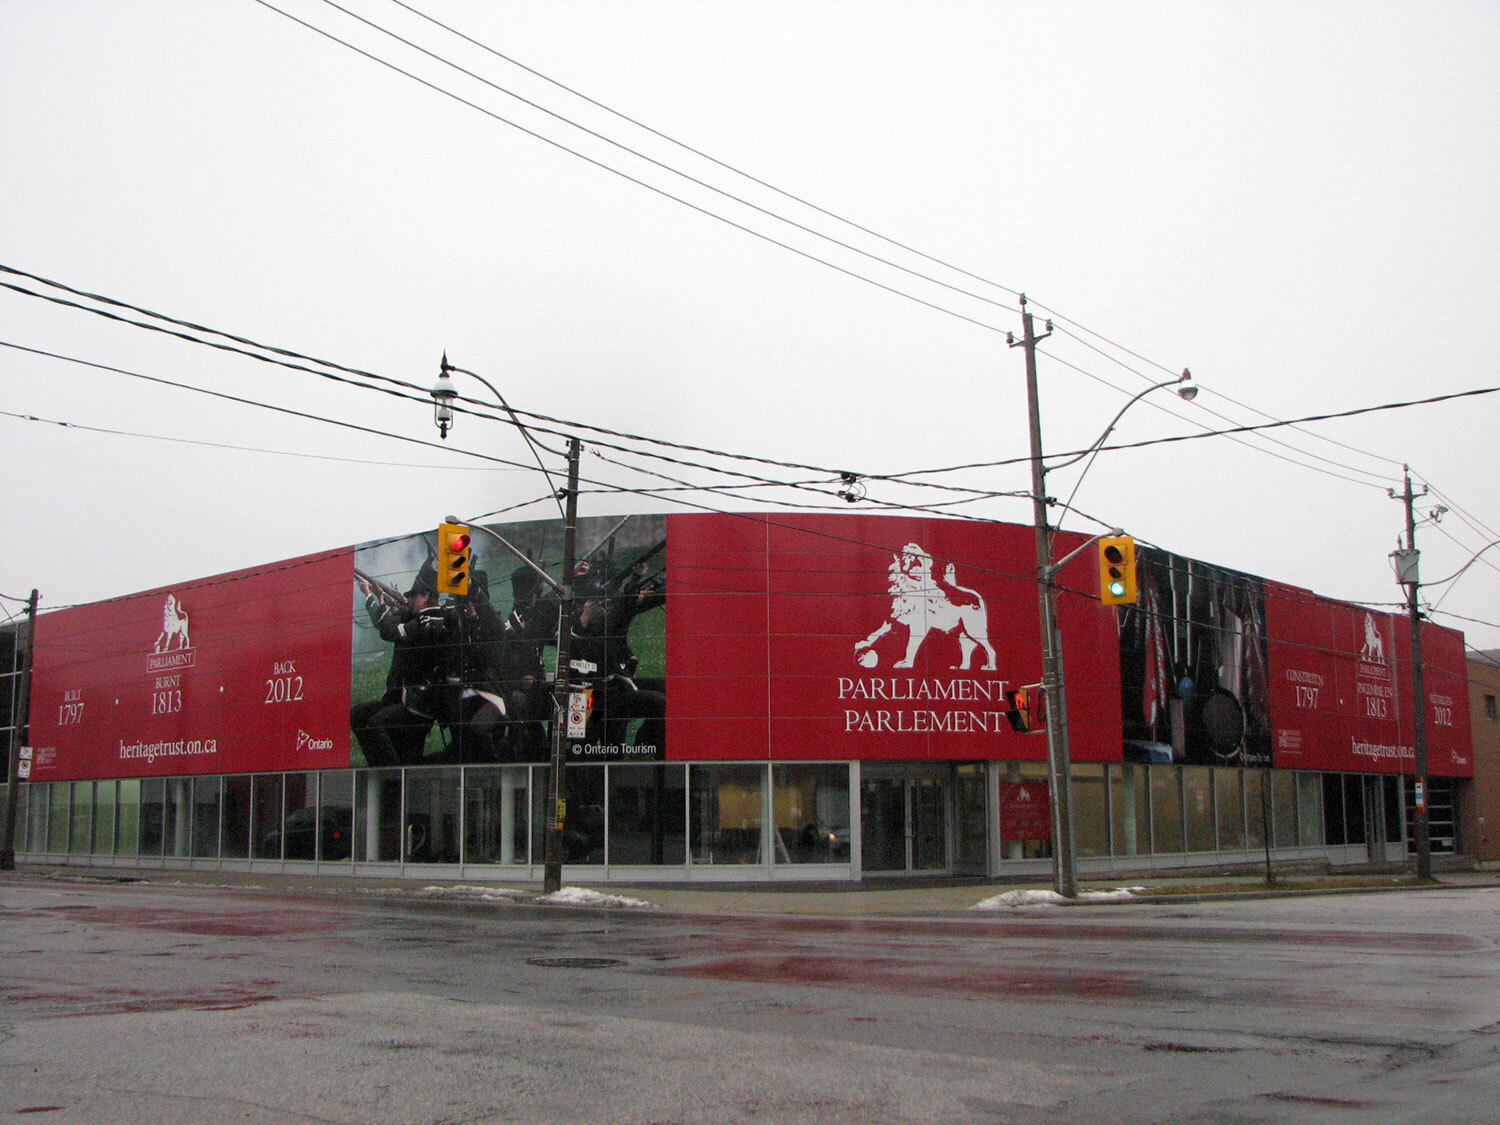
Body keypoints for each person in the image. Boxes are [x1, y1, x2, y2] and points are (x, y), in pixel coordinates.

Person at [350, 563, 451, 766]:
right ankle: (389, 773)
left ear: (426, 596)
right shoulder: (421, 617)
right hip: (408, 700)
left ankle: (392, 775)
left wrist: (369, 596)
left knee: (375, 724)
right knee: (360, 714)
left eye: (416, 596)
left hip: (419, 704)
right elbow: (388, 624)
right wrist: (381, 600)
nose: (412, 600)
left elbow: (388, 630)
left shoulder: (429, 621)